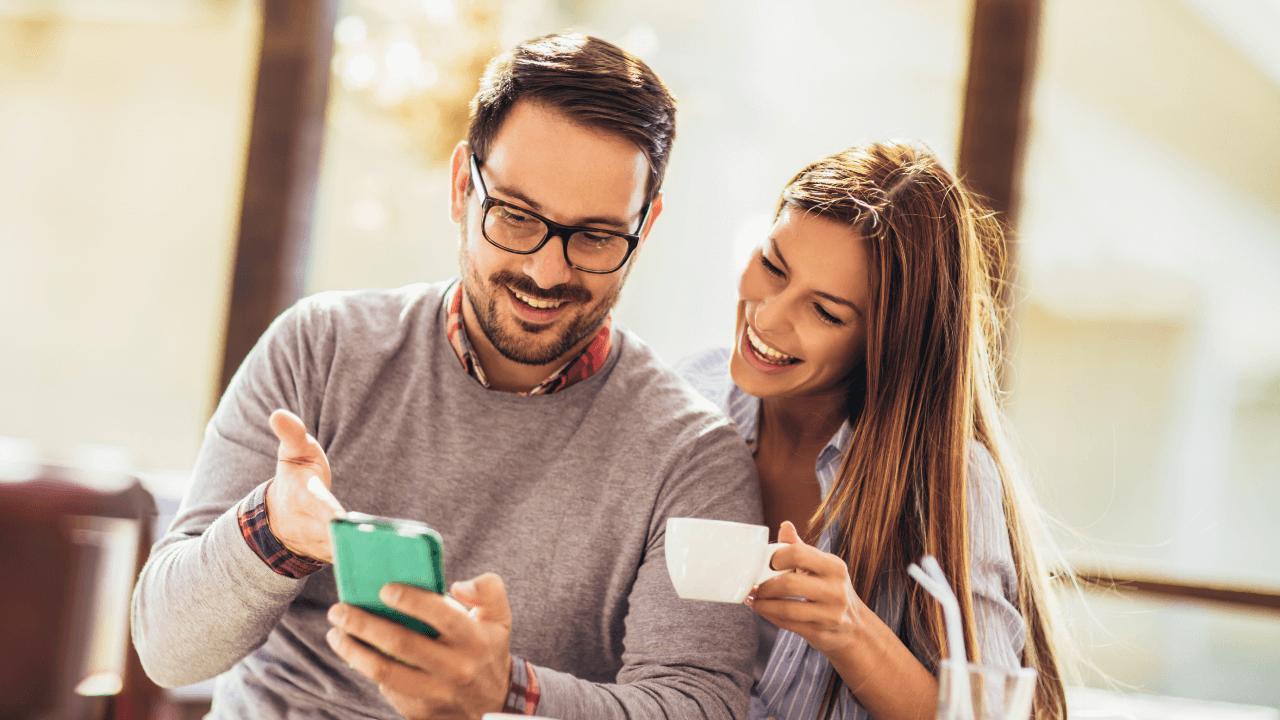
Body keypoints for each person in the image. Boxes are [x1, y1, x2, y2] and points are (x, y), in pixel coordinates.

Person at [132, 33, 762, 720]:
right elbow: (167, 651)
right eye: (516, 217)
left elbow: (701, 706)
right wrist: (273, 529)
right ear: (463, 185)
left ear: (647, 222)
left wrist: (507, 694)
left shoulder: (693, 457)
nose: (547, 273)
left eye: (597, 237)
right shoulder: (321, 349)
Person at [680, 142, 1068, 719]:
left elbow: (988, 714)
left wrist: (849, 630)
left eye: (826, 312)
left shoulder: (947, 480)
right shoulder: (689, 394)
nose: (767, 315)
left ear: (884, 344)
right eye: (772, 266)